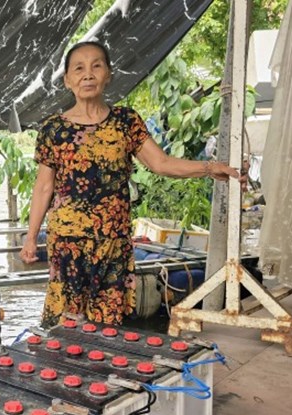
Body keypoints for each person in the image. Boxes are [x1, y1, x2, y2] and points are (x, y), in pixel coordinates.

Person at [19, 40, 244, 327]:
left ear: (108, 74)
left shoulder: (126, 122)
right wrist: (31, 238)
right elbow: (43, 187)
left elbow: (160, 163)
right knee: (66, 322)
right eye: (79, 69)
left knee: (109, 321)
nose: (88, 75)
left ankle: (104, 357)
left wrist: (209, 168)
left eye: (96, 66)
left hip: (113, 241)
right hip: (67, 242)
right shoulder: (53, 129)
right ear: (67, 80)